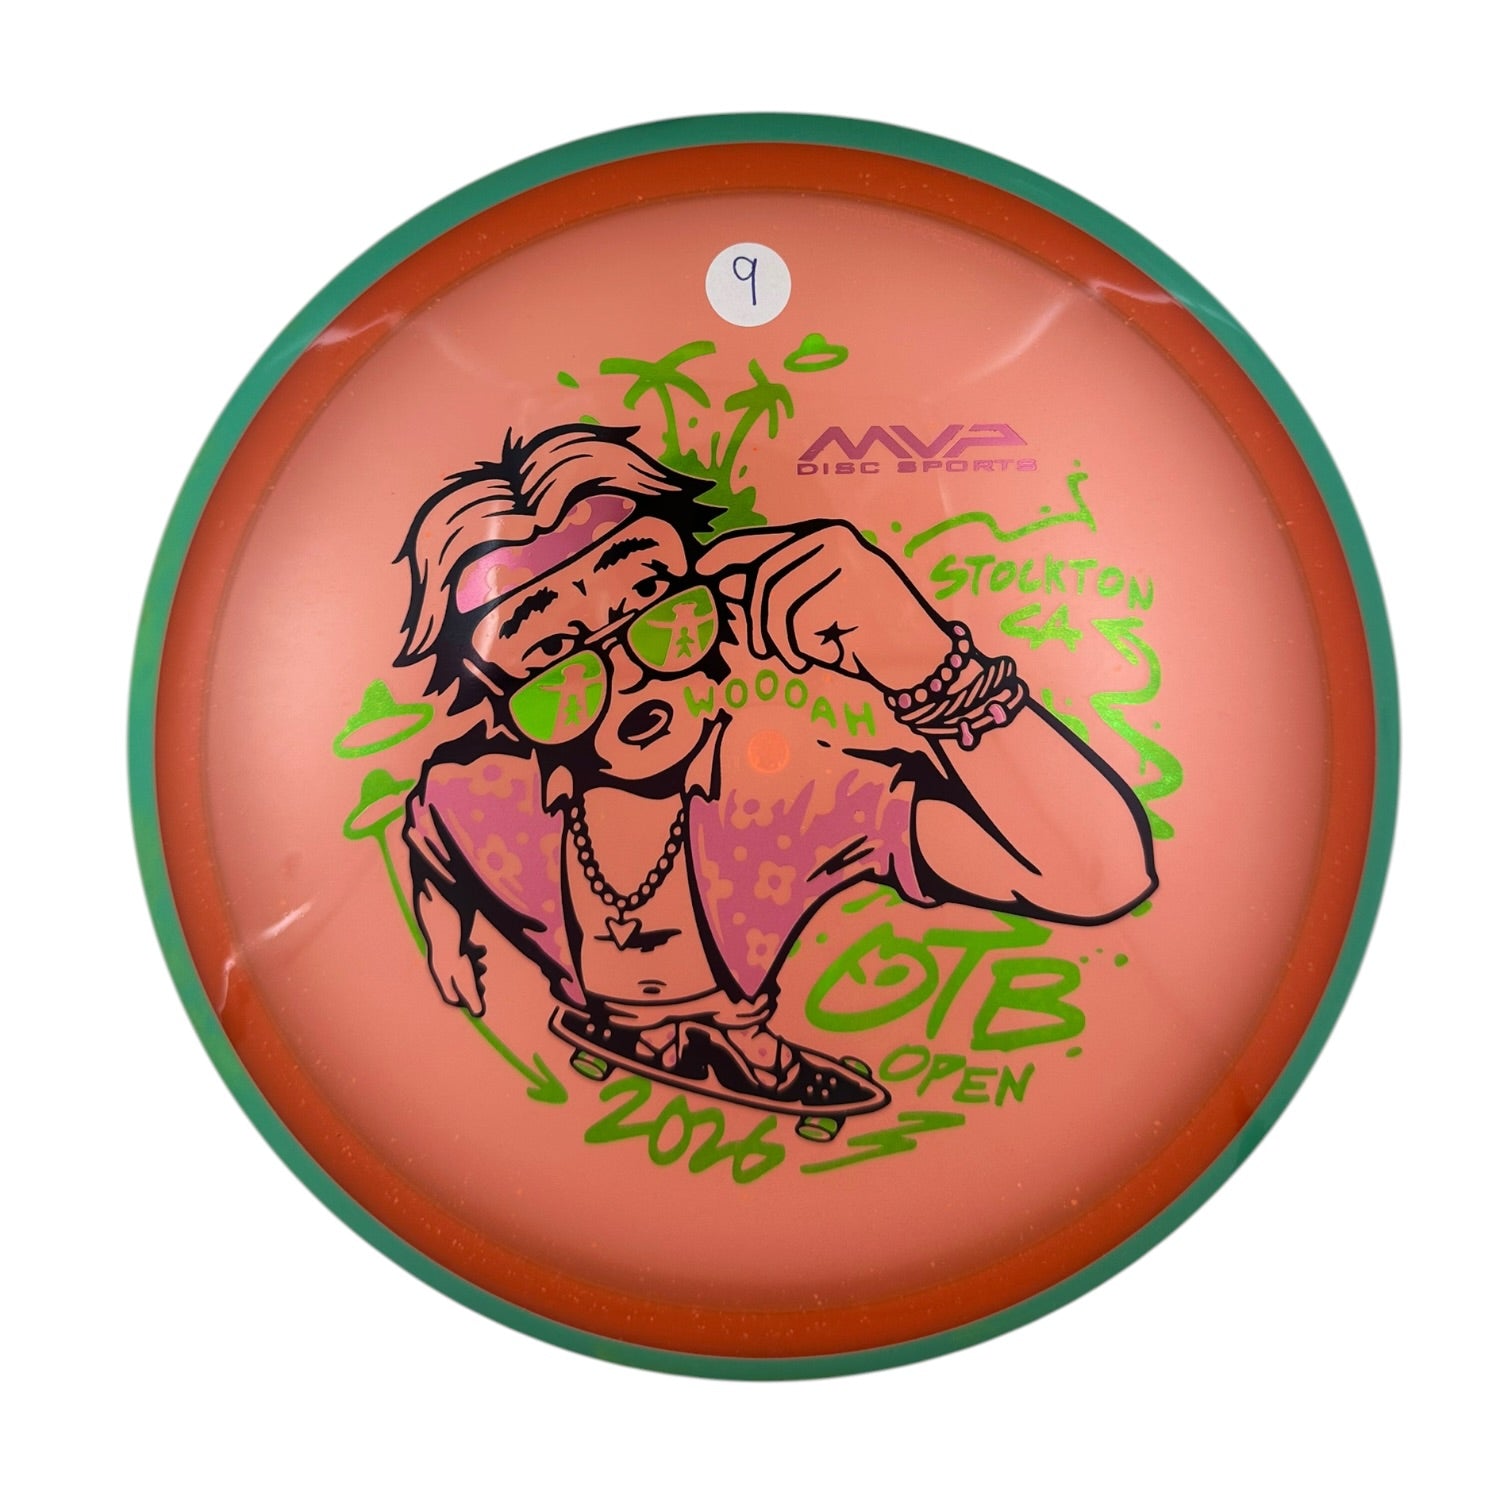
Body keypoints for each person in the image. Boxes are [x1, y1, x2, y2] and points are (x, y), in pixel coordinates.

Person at [396, 424, 1155, 1121]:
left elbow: (1094, 878)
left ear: (715, 593)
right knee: (636, 1023)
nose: (629, 673)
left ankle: (747, 1050)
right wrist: (446, 937)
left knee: (737, 1023)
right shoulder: (485, 799)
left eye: (653, 599)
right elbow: (431, 840)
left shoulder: (793, 797)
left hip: (737, 995)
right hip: (596, 1015)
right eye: (554, 653)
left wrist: (934, 668)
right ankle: (639, 1034)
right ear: (497, 700)